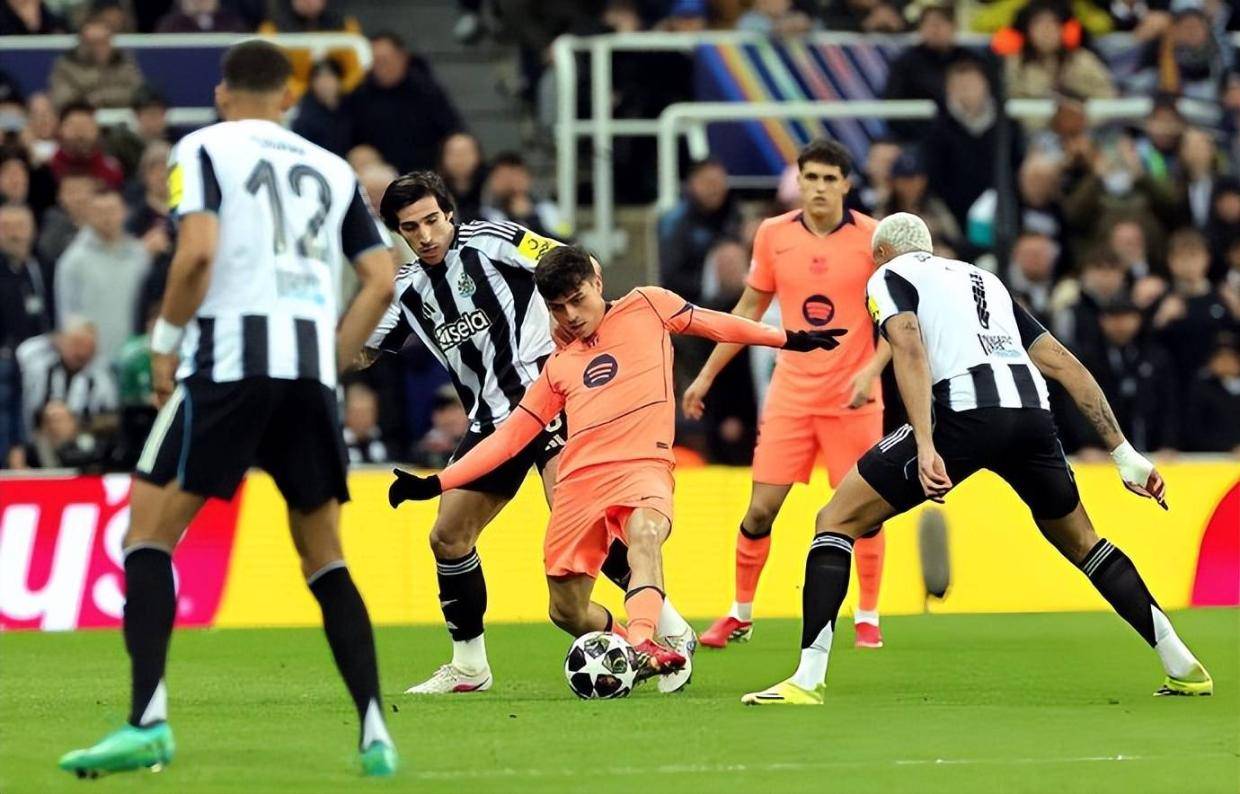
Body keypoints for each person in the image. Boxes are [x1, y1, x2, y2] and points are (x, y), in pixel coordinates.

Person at [59, 40, 400, 778]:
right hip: (307, 376)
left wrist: (163, 344)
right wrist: (332, 361)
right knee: (325, 556)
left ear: (221, 94)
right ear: (289, 97)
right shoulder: (333, 168)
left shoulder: (203, 148)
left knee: (148, 536)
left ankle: (147, 722)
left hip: (230, 366)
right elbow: (381, 278)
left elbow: (197, 254)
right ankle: (376, 734)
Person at [741, 212, 1212, 705]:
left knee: (835, 519)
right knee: (1084, 542)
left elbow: (909, 350)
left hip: (963, 416)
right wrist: (1124, 452)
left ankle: (807, 679)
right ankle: (1182, 664)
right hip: (1032, 416)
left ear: (878, 254)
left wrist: (926, 445)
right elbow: (1063, 362)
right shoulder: (983, 279)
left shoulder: (887, 275)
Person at [388, 245, 848, 682]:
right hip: (579, 485)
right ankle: (645, 648)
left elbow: (714, 324)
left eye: (577, 299)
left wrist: (786, 339)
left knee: (644, 535)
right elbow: (509, 438)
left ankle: (645, 642)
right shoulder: (558, 367)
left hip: (643, 466)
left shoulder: (648, 305)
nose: (570, 315)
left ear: (597, 282)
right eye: (557, 308)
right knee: (566, 610)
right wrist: (438, 483)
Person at [360, 171, 694, 694]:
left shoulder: (493, 240)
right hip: (493, 423)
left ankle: (668, 631)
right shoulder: (406, 289)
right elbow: (361, 349)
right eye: (410, 228)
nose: (424, 235)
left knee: (586, 526)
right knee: (447, 537)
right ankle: (470, 666)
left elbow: (576, 266)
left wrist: (584, 338)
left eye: (431, 220)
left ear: (449, 213)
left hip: (555, 402)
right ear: (397, 232)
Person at [682, 139, 891, 650]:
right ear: (798, 182)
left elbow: (899, 319)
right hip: (791, 396)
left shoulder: (872, 238)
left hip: (853, 399)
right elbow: (748, 311)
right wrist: (706, 376)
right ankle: (740, 613)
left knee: (865, 510)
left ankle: (868, 615)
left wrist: (871, 370)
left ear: (846, 185)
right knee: (760, 510)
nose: (818, 188)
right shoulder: (773, 234)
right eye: (810, 178)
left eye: (829, 179)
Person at [55, 186, 151, 362]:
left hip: (133, 357)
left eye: (112, 210)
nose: (107, 217)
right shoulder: (73, 260)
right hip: (91, 362)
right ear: (88, 215)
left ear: (124, 212)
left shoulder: (140, 255)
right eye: (99, 212)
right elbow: (67, 314)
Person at [346, 32, 464, 174]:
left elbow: (452, 128)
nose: (380, 67)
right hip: (380, 175)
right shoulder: (359, 97)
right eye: (375, 61)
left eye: (385, 60)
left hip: (425, 171)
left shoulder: (426, 91)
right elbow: (348, 138)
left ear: (402, 57)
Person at [882, 4, 973, 142]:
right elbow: (893, 106)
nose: (935, 30)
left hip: (965, 136)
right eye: (929, 24)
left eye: (941, 23)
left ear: (954, 27)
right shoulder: (905, 63)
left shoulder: (970, 61)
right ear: (920, 29)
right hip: (917, 137)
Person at [657, 158, 742, 305]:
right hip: (688, 302)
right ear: (693, 184)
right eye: (709, 183)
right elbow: (670, 277)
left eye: (720, 182)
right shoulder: (675, 221)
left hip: (731, 299)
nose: (715, 189)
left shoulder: (733, 213)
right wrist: (712, 281)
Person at [47, 13, 146, 110]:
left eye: (103, 42)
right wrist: (87, 102)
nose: (98, 48)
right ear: (82, 43)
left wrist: (101, 97)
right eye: (92, 43)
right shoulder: (66, 65)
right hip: (81, 117)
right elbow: (62, 98)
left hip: (121, 117)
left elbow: (138, 93)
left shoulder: (124, 63)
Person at [0, 203, 52, 349]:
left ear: (33, 230)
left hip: (43, 348)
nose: (14, 234)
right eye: (6, 227)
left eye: (20, 226)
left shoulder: (45, 266)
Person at [49, 102, 125, 189]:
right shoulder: (48, 171)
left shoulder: (112, 172)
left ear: (97, 130)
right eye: (74, 127)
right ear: (60, 130)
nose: (80, 134)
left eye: (86, 126)